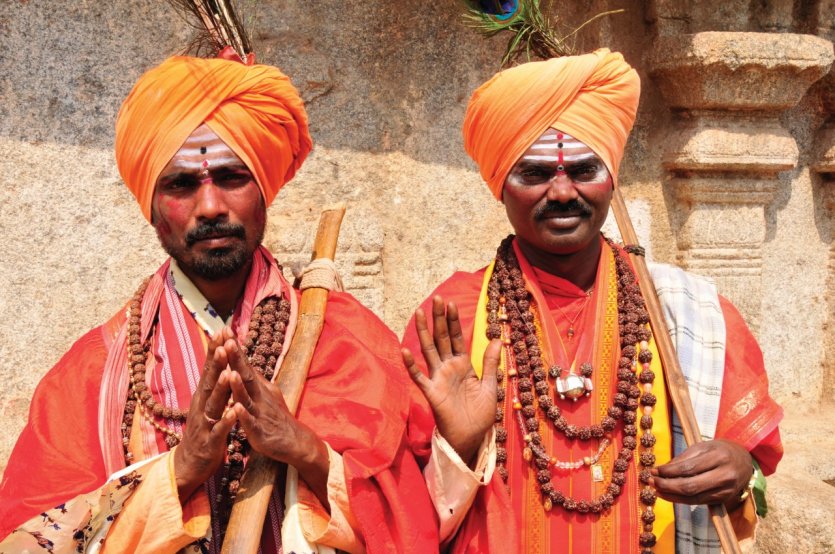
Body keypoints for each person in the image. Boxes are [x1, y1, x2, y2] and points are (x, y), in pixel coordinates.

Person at [0, 53, 440, 553]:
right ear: (151, 208)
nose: (210, 207)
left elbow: (417, 518)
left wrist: (306, 450)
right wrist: (180, 472)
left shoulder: (348, 340)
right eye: (182, 185)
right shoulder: (89, 377)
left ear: (263, 193)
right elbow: (26, 538)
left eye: (231, 177)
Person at [401, 49, 784, 553]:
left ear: (611, 180)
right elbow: (398, 499)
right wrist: (460, 447)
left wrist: (739, 470)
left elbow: (756, 470)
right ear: (500, 187)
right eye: (535, 175)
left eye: (583, 170)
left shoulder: (686, 311)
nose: (562, 192)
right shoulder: (455, 316)